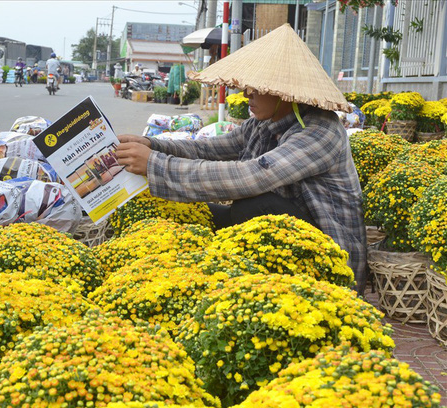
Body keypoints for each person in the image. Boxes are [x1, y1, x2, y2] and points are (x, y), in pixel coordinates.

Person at [115, 24, 367, 294]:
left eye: (256, 86)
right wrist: (151, 144)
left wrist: (155, 164)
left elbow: (253, 176)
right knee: (190, 215)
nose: (247, 93)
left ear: (282, 91)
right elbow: (207, 150)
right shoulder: (264, 123)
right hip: (285, 234)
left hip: (332, 258)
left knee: (255, 205)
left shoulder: (319, 132)